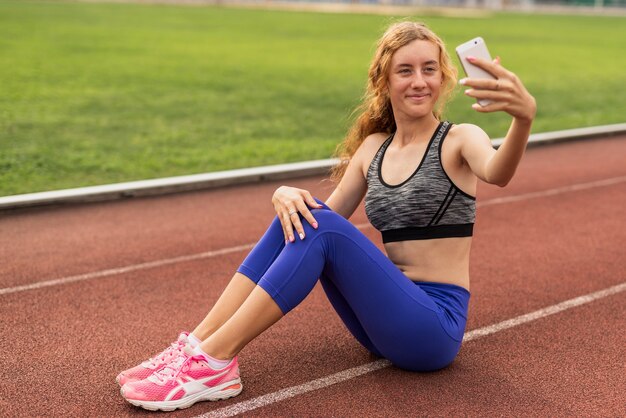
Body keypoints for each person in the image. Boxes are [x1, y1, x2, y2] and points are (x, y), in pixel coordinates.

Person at [118, 21, 536, 411]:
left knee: (318, 226)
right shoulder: (373, 148)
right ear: (384, 81)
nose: (419, 81)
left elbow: (497, 173)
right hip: (379, 325)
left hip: (432, 329)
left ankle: (215, 361)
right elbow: (315, 223)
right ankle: (197, 345)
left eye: (429, 69)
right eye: (405, 70)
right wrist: (283, 194)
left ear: (443, 78)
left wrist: (522, 119)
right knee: (300, 215)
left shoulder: (461, 138)